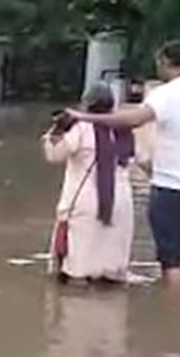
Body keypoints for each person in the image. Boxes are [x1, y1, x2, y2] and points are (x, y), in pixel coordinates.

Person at [68, 40, 180, 290]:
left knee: (170, 261)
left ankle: (173, 315)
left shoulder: (168, 92)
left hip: (171, 187)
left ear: (166, 62)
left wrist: (85, 117)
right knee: (179, 256)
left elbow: (133, 119)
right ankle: (174, 306)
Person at [44, 84, 136, 283]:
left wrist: (56, 130)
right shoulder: (123, 129)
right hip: (120, 203)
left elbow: (54, 155)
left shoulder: (80, 128)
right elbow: (140, 159)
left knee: (77, 270)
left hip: (85, 203)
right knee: (111, 270)